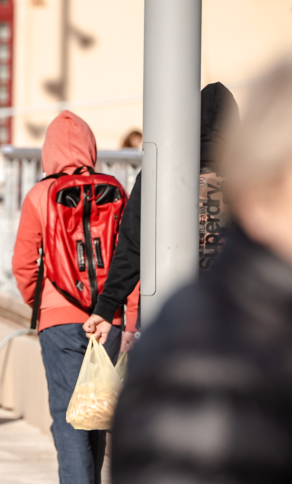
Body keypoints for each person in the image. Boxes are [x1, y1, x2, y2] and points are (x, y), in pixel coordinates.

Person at [112, 58, 292, 484]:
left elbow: (132, 241)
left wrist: (104, 303)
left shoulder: (167, 172)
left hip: (187, 301)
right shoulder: (207, 365)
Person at [12, 110, 137, 484]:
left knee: (67, 412)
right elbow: (131, 259)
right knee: (98, 409)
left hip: (58, 316)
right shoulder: (116, 189)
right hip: (112, 316)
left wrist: (42, 304)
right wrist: (125, 314)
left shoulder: (39, 195)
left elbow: (24, 264)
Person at [83, 83, 241, 346]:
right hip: (232, 317)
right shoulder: (252, 177)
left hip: (168, 312)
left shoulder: (161, 171)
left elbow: (133, 242)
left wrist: (107, 305)